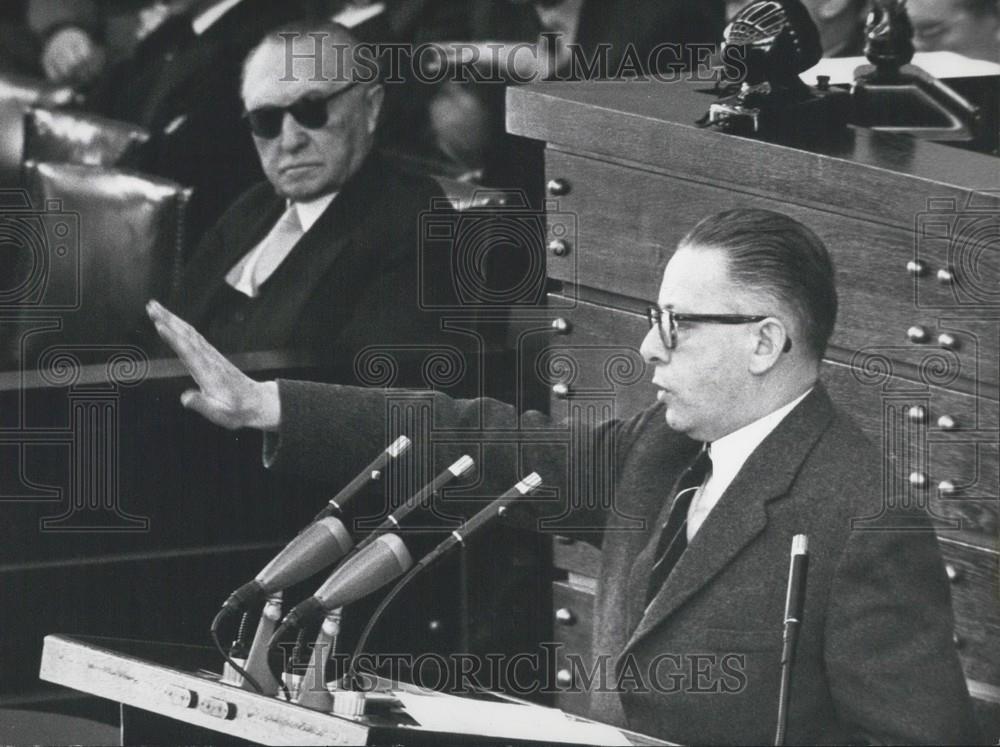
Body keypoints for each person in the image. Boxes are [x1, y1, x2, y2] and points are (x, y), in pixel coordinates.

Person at [148, 208, 981, 744]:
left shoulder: (864, 515)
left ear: (764, 342)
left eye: (675, 325)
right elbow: (480, 441)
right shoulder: (660, 450)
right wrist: (274, 406)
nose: (650, 348)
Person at [168, 21, 478, 390]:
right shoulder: (250, 208)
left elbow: (376, 400)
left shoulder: (416, 220)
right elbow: (163, 341)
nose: (289, 140)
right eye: (265, 119)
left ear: (370, 107)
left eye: (311, 110)